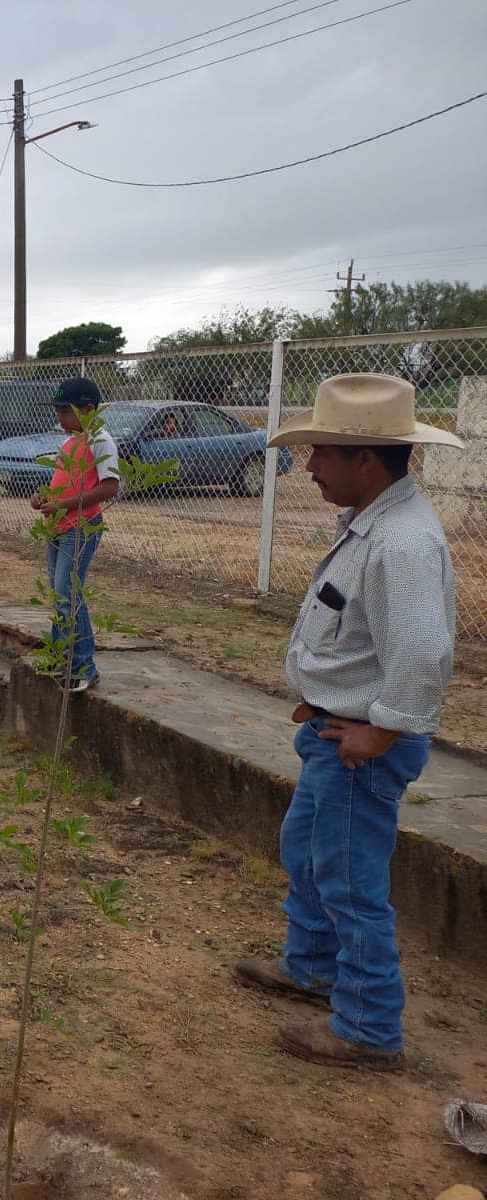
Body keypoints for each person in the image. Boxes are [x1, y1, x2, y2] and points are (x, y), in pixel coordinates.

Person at [232, 373, 461, 1073]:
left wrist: (381, 731)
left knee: (351, 883)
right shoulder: (374, 527)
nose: (311, 468)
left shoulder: (402, 543)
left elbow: (424, 652)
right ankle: (312, 967)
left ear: (365, 458)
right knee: (307, 850)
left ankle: (366, 1026)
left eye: (322, 453)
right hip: (337, 735)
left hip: (359, 748)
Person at [29, 377, 119, 693]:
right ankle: (60, 659)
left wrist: (63, 505)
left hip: (81, 528)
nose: (60, 417)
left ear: (88, 410)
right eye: (58, 411)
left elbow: (109, 487)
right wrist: (42, 498)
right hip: (59, 527)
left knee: (69, 594)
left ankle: (83, 667)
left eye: (65, 411)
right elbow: (64, 482)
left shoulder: (100, 441)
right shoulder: (70, 443)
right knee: (59, 594)